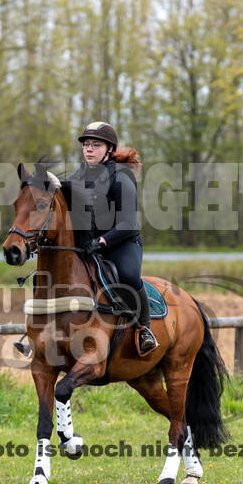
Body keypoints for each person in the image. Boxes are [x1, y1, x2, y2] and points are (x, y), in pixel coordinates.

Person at [68, 121, 159, 356]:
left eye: (95, 145)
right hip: (89, 245)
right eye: (86, 144)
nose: (88, 149)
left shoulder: (121, 177)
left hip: (121, 242)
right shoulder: (79, 175)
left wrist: (102, 242)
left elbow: (128, 224)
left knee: (128, 275)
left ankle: (145, 329)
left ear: (109, 149)